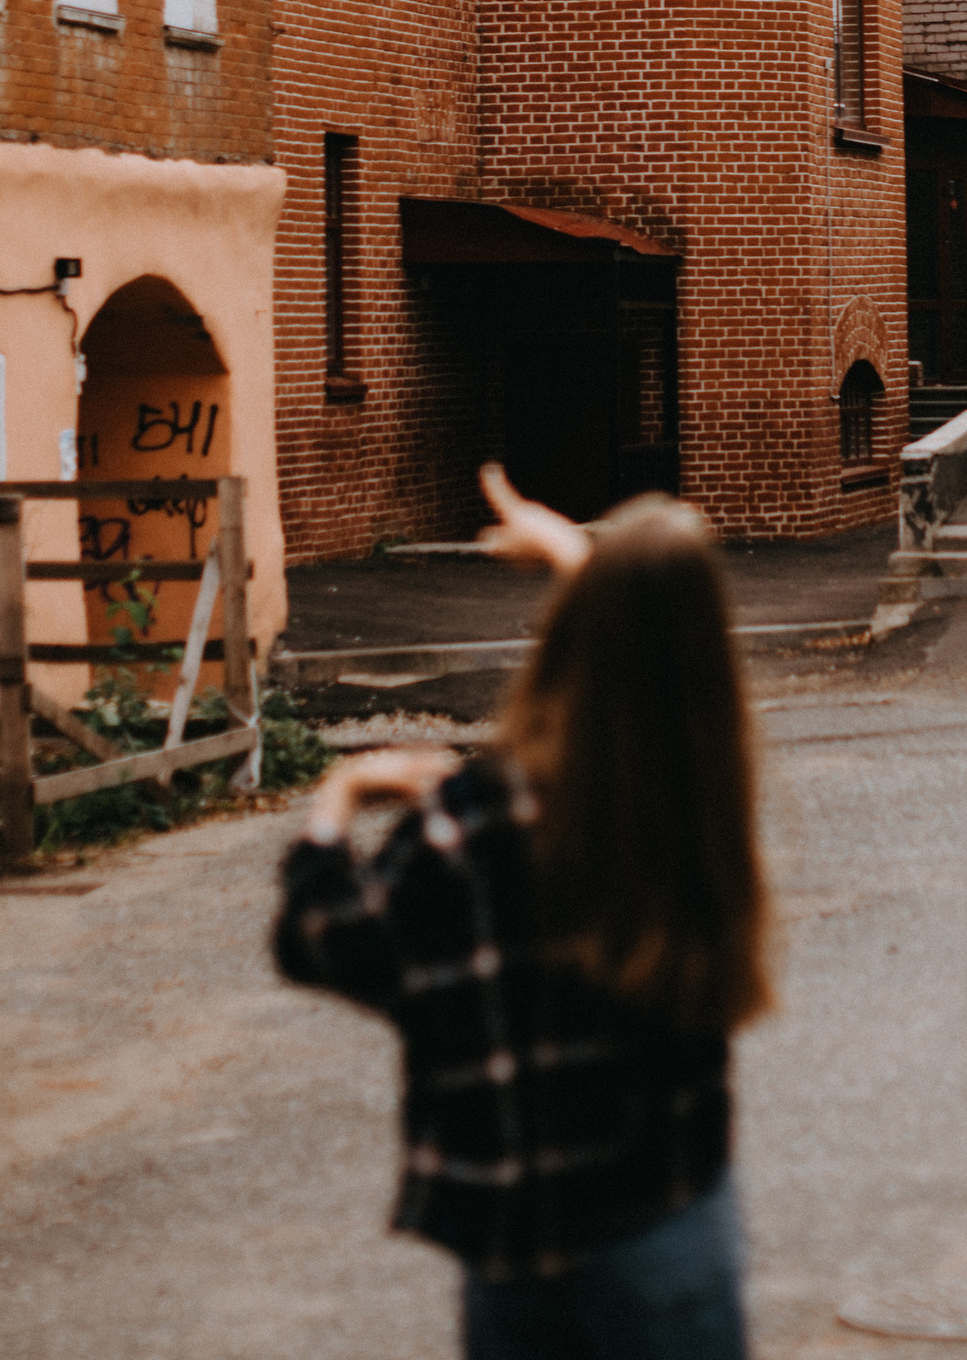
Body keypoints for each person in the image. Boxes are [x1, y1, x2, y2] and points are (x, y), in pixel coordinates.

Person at [275, 466, 771, 1359]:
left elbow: (321, 941)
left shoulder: (471, 822)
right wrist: (581, 559)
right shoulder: (695, 804)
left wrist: (336, 801)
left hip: (515, 1249)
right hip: (663, 1224)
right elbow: (659, 663)